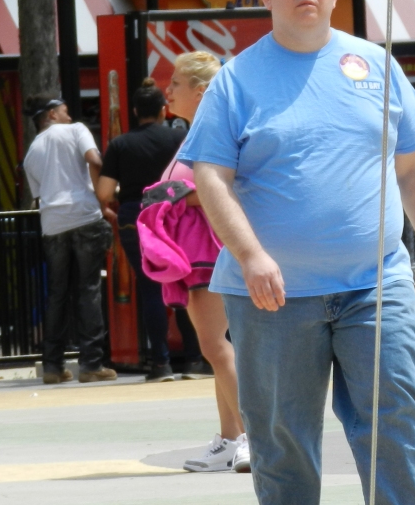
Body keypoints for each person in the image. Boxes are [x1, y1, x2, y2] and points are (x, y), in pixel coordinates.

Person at [179, 0, 415, 505]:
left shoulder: (376, 66)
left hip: (376, 283)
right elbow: (210, 177)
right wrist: (249, 256)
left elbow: (411, 165)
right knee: (282, 443)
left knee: (397, 422)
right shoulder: (235, 80)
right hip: (272, 299)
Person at [146, 51, 247, 473]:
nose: (167, 91)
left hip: (208, 246)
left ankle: (248, 435)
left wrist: (168, 195)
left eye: (177, 83)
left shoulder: (212, 131)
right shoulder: (194, 133)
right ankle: (229, 437)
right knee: (214, 346)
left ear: (202, 91)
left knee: (215, 345)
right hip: (197, 247)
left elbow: (219, 187)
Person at [95, 80, 201, 382]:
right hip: (177, 213)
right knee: (183, 279)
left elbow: (104, 192)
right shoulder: (180, 137)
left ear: (135, 111)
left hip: (135, 215)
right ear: (163, 110)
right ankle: (195, 359)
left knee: (150, 286)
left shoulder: (120, 144)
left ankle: (160, 364)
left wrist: (122, 193)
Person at [23, 96, 117, 384]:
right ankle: (91, 364)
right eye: (64, 109)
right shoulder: (76, 130)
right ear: (52, 113)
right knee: (88, 289)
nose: (69, 113)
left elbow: (38, 193)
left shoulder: (32, 150)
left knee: (57, 292)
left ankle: (52, 365)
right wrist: (105, 196)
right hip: (85, 215)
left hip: (53, 223)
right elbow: (93, 159)